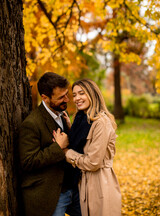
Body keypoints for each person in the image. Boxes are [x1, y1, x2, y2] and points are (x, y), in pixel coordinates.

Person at [54, 79, 121, 216]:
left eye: (82, 93)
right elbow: (85, 145)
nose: (77, 98)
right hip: (85, 182)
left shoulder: (101, 123)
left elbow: (93, 162)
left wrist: (65, 151)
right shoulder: (82, 119)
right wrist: (71, 128)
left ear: (92, 94)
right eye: (75, 95)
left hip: (100, 183)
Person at [18, 72, 81, 216]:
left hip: (73, 190)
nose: (67, 99)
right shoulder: (31, 124)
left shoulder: (62, 115)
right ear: (45, 98)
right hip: (49, 196)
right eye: (61, 97)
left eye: (66, 94)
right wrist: (57, 148)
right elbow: (27, 162)